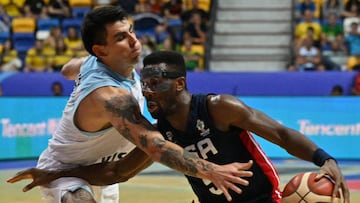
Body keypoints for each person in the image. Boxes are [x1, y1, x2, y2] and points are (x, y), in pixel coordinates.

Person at [8, 51, 350, 203]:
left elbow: (282, 134)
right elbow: (116, 173)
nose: (146, 91)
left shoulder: (219, 108)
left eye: (155, 83)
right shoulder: (158, 134)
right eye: (145, 84)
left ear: (179, 84)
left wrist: (324, 158)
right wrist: (52, 175)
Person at [7, 6, 253, 203]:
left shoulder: (99, 62)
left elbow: (66, 70)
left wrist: (82, 66)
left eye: (132, 31)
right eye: (121, 38)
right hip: (65, 170)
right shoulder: (110, 96)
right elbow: (156, 148)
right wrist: (212, 171)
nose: (135, 41)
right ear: (101, 50)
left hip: (105, 170)